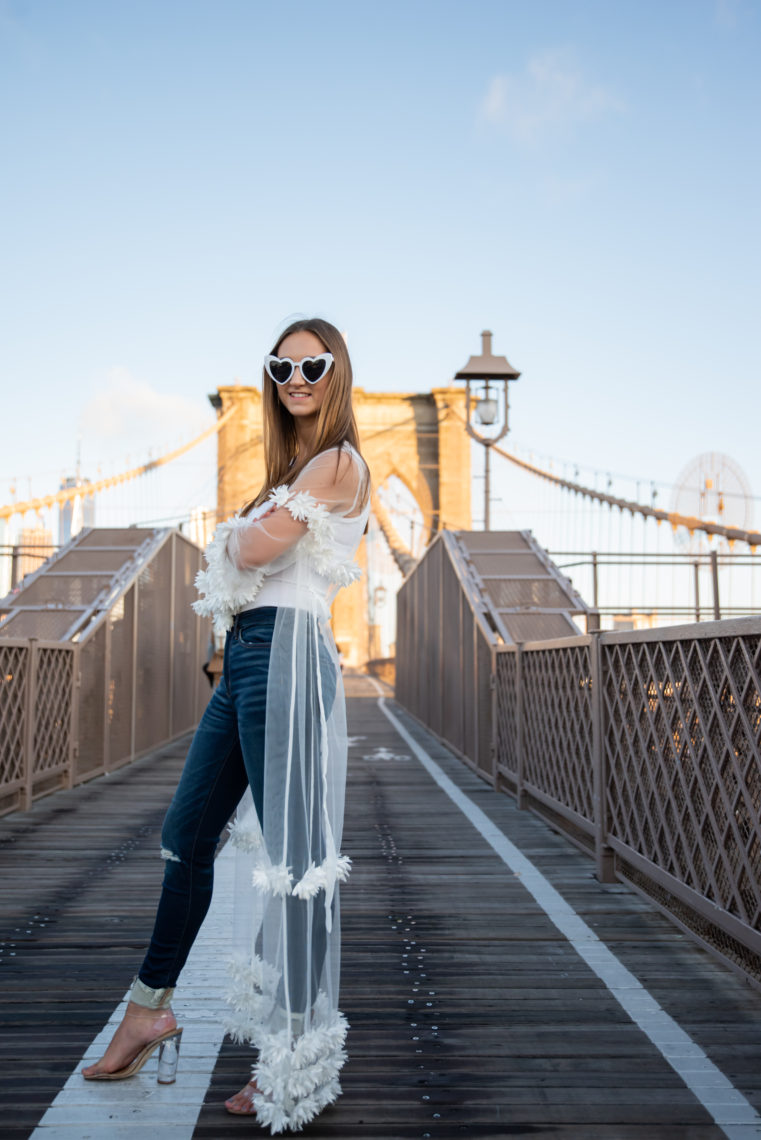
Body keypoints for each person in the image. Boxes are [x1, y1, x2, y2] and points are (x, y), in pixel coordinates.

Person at [82, 317, 371, 1133]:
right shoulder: (294, 469)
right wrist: (245, 537)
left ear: (336, 370)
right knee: (185, 836)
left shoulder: (340, 462)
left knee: (294, 865)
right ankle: (148, 1009)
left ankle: (291, 1063)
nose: (294, 377)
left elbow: (249, 554)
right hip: (245, 657)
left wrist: (238, 538)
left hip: (285, 654)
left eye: (311, 364)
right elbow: (254, 548)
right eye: (280, 366)